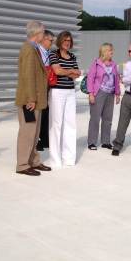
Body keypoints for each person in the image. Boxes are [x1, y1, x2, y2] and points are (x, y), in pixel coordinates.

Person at [15, 21, 51, 176]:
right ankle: (22, 165)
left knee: (34, 133)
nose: (44, 34)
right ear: (37, 33)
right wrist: (31, 98)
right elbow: (28, 75)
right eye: (43, 32)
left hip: (36, 99)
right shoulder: (29, 49)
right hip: (30, 100)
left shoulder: (33, 48)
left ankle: (33, 161)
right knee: (27, 133)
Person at [48, 31, 81, 168]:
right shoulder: (53, 54)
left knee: (70, 125)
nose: (67, 42)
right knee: (56, 125)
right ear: (60, 41)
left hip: (70, 92)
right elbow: (57, 71)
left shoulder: (72, 55)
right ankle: (55, 160)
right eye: (65, 40)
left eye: (69, 40)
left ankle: (69, 158)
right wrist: (70, 71)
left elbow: (77, 74)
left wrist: (67, 71)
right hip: (57, 92)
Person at [86, 43, 121, 150]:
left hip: (110, 94)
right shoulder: (96, 63)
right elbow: (90, 79)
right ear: (105, 51)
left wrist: (117, 93)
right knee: (95, 119)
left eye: (112, 50)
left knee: (108, 119)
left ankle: (105, 141)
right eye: (110, 50)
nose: (112, 52)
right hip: (98, 93)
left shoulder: (114, 64)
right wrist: (91, 94)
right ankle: (92, 142)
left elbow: (117, 79)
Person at [36, 30, 54, 151]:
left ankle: (45, 138)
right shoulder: (36, 52)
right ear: (43, 39)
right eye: (50, 40)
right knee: (39, 113)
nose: (52, 43)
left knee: (46, 112)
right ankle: (37, 140)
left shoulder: (48, 52)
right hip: (39, 86)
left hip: (47, 85)